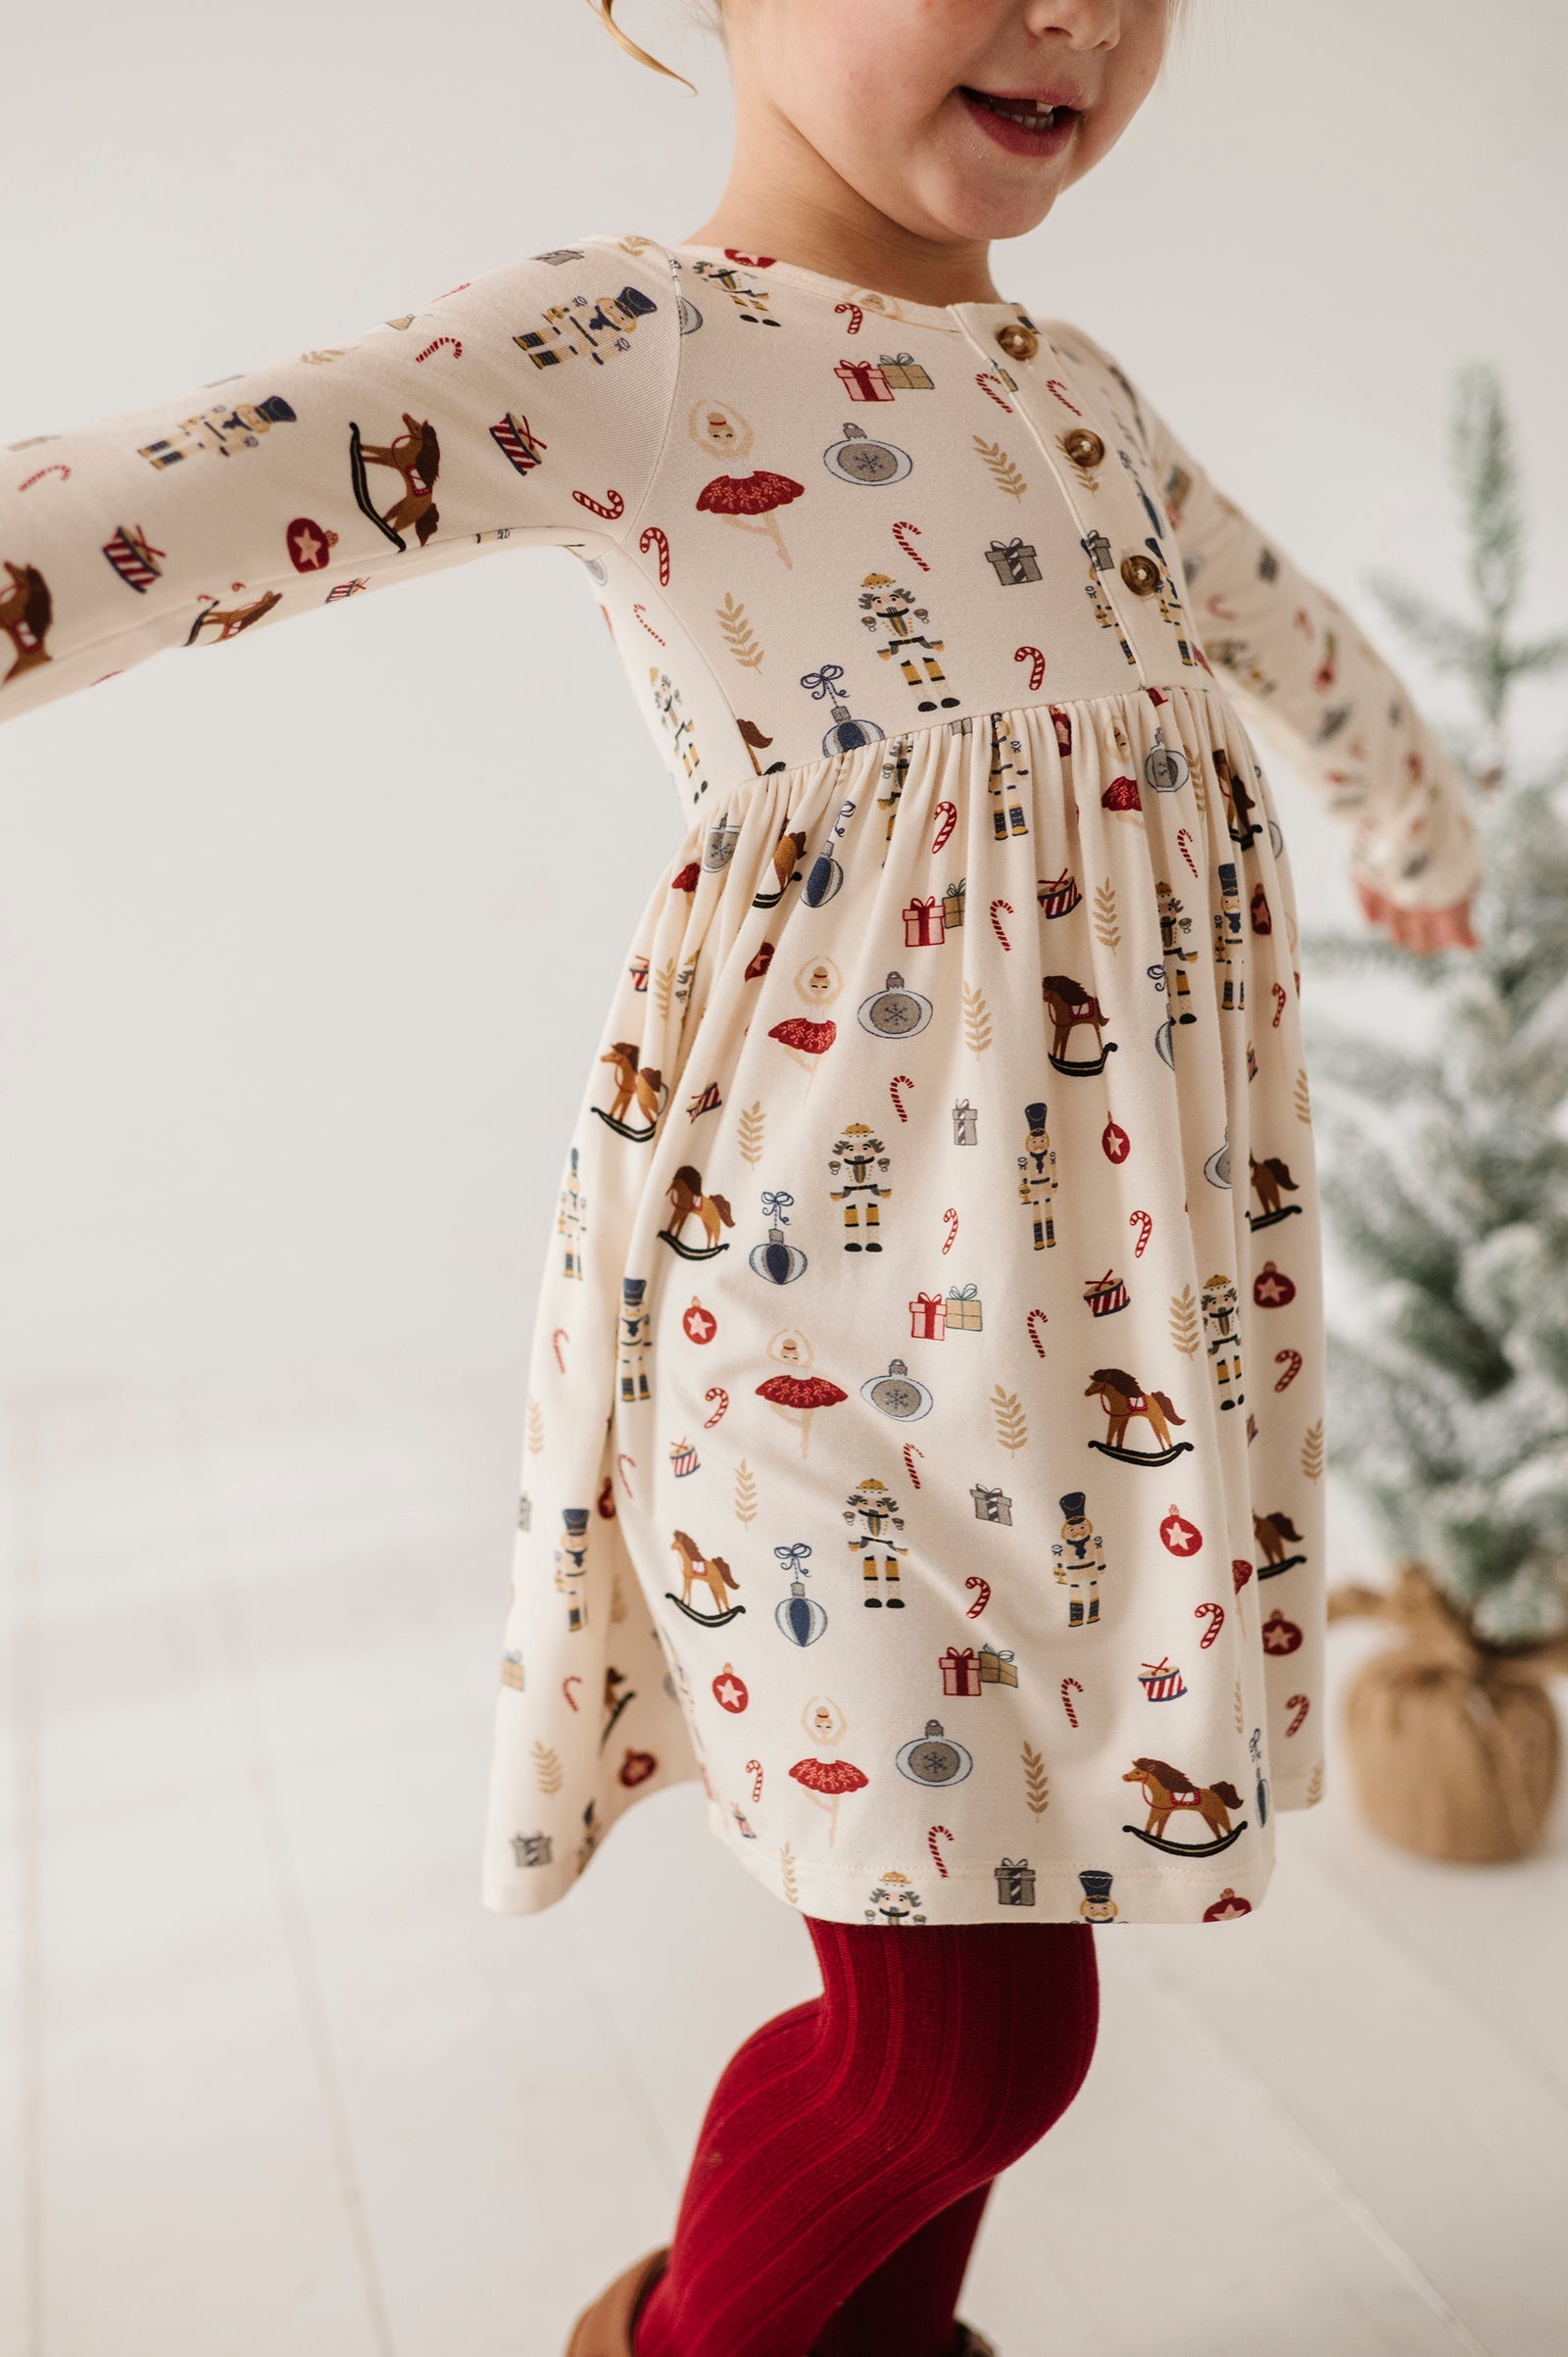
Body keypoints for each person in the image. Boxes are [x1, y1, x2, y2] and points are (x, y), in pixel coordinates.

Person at [0, 3, 1486, 2351]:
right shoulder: (650, 349)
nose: (1081, 18)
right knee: (963, 2055)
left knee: (1006, 1938)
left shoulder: (1078, 401)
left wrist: (1408, 808)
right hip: (825, 1353)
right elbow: (182, 494)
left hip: (1097, 1375)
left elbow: (1276, 624)